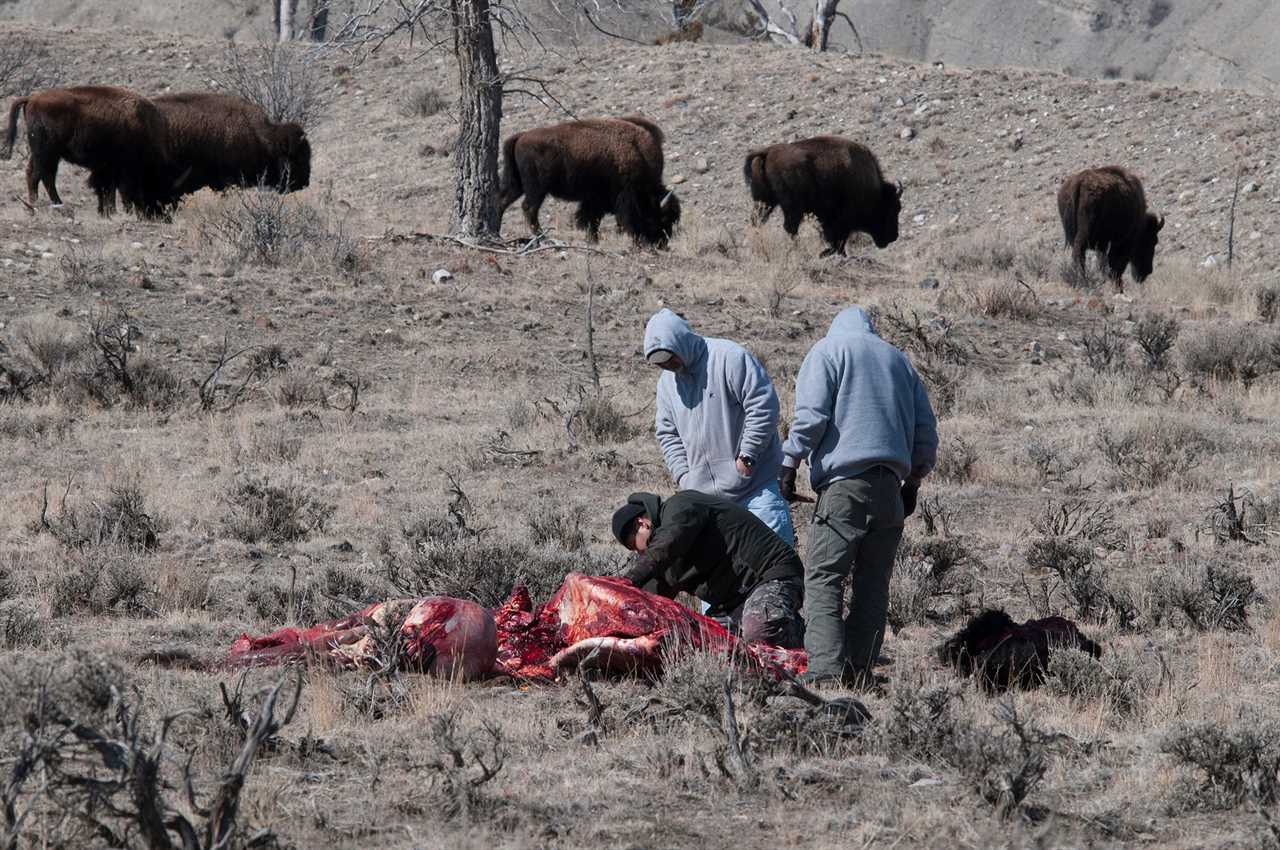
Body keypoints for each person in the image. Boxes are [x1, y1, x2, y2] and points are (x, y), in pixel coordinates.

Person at [779, 306, 938, 687]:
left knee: (824, 578)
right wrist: (913, 482)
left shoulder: (829, 351)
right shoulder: (899, 362)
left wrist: (789, 462)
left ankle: (827, 673)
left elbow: (812, 416)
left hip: (844, 486)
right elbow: (926, 432)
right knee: (872, 584)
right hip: (890, 491)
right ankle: (859, 669)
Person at [643, 308, 795, 546]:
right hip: (708, 503)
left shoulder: (728, 357)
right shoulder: (666, 385)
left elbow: (763, 405)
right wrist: (685, 478)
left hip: (756, 490)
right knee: (728, 580)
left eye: (669, 357)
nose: (668, 366)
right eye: (659, 363)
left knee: (777, 571)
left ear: (681, 343)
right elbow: (667, 434)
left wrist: (747, 458)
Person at [610, 490, 804, 648]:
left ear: (641, 523)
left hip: (771, 574)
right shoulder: (664, 561)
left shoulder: (680, 505)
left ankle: (809, 638)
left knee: (759, 631)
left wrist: (628, 581)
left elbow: (669, 541)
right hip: (733, 603)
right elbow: (651, 599)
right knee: (705, 644)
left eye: (634, 546)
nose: (639, 553)